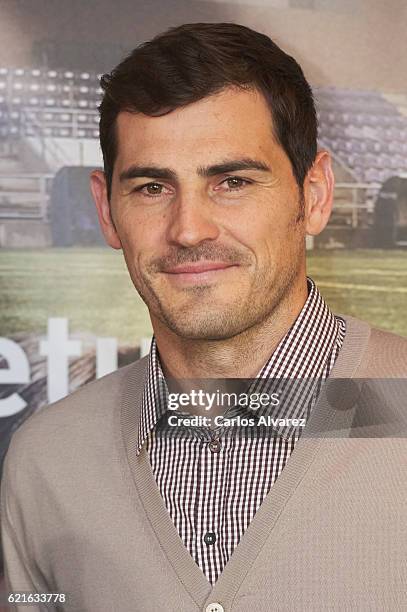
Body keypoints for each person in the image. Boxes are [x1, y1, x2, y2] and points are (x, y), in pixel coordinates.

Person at [1, 23, 407, 612]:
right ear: (106, 210)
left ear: (313, 194)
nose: (189, 229)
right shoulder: (47, 461)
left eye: (233, 182)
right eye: (150, 188)